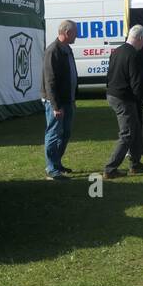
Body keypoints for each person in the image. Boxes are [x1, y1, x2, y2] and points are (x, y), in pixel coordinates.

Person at [102, 25, 143, 179]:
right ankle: (110, 168)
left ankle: (135, 163)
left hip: (114, 94)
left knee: (136, 129)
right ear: (140, 39)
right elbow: (136, 82)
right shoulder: (133, 55)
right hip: (123, 97)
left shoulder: (117, 51)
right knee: (127, 133)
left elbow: (109, 75)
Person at [41, 19, 78, 180]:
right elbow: (50, 81)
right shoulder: (53, 51)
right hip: (56, 102)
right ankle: (51, 168)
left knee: (66, 133)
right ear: (67, 33)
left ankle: (57, 163)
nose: (77, 36)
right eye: (75, 33)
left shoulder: (67, 49)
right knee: (54, 133)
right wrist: (56, 106)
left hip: (67, 100)